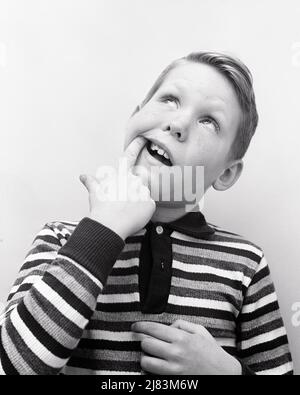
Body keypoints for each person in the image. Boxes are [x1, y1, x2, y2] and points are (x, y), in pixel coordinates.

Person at [0, 51, 293, 375]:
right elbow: (12, 366)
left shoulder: (247, 263)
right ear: (135, 116)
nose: (178, 123)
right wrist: (105, 225)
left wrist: (226, 372)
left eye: (209, 121)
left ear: (225, 173)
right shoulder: (60, 239)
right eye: (170, 99)